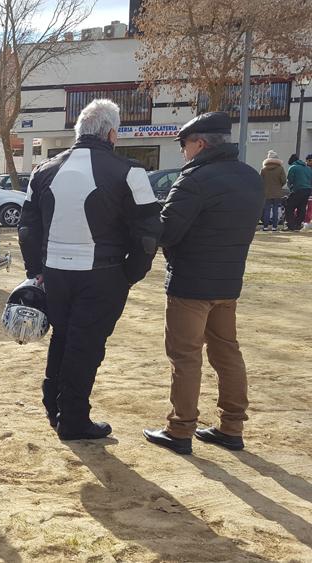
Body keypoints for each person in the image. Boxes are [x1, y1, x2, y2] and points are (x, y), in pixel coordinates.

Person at [18, 99, 162, 441]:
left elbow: (27, 227)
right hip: (103, 273)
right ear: (112, 133)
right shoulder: (130, 171)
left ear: (79, 132)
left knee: (64, 338)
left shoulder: (43, 169)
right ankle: (73, 420)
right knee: (86, 346)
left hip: (55, 273)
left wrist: (35, 270)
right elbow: (149, 231)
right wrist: (132, 273)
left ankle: (56, 409)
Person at [143, 111, 263, 455]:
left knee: (185, 357)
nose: (183, 151)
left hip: (190, 284)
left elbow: (167, 232)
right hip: (228, 282)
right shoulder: (250, 177)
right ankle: (232, 426)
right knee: (227, 352)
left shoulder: (194, 179)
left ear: (199, 143)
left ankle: (180, 428)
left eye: (184, 145)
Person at [260, 150, 287, 231]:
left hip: (266, 192)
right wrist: (279, 186)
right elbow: (284, 180)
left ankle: (265, 226)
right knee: (275, 209)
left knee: (267, 209)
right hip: (277, 193)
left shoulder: (263, 169)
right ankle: (274, 227)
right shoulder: (280, 169)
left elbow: (260, 180)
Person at [284, 153, 312, 230]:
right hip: (308, 190)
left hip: (298, 189)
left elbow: (290, 180)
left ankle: (290, 225)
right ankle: (298, 224)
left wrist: (291, 189)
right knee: (302, 207)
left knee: (289, 206)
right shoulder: (308, 168)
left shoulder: (293, 167)